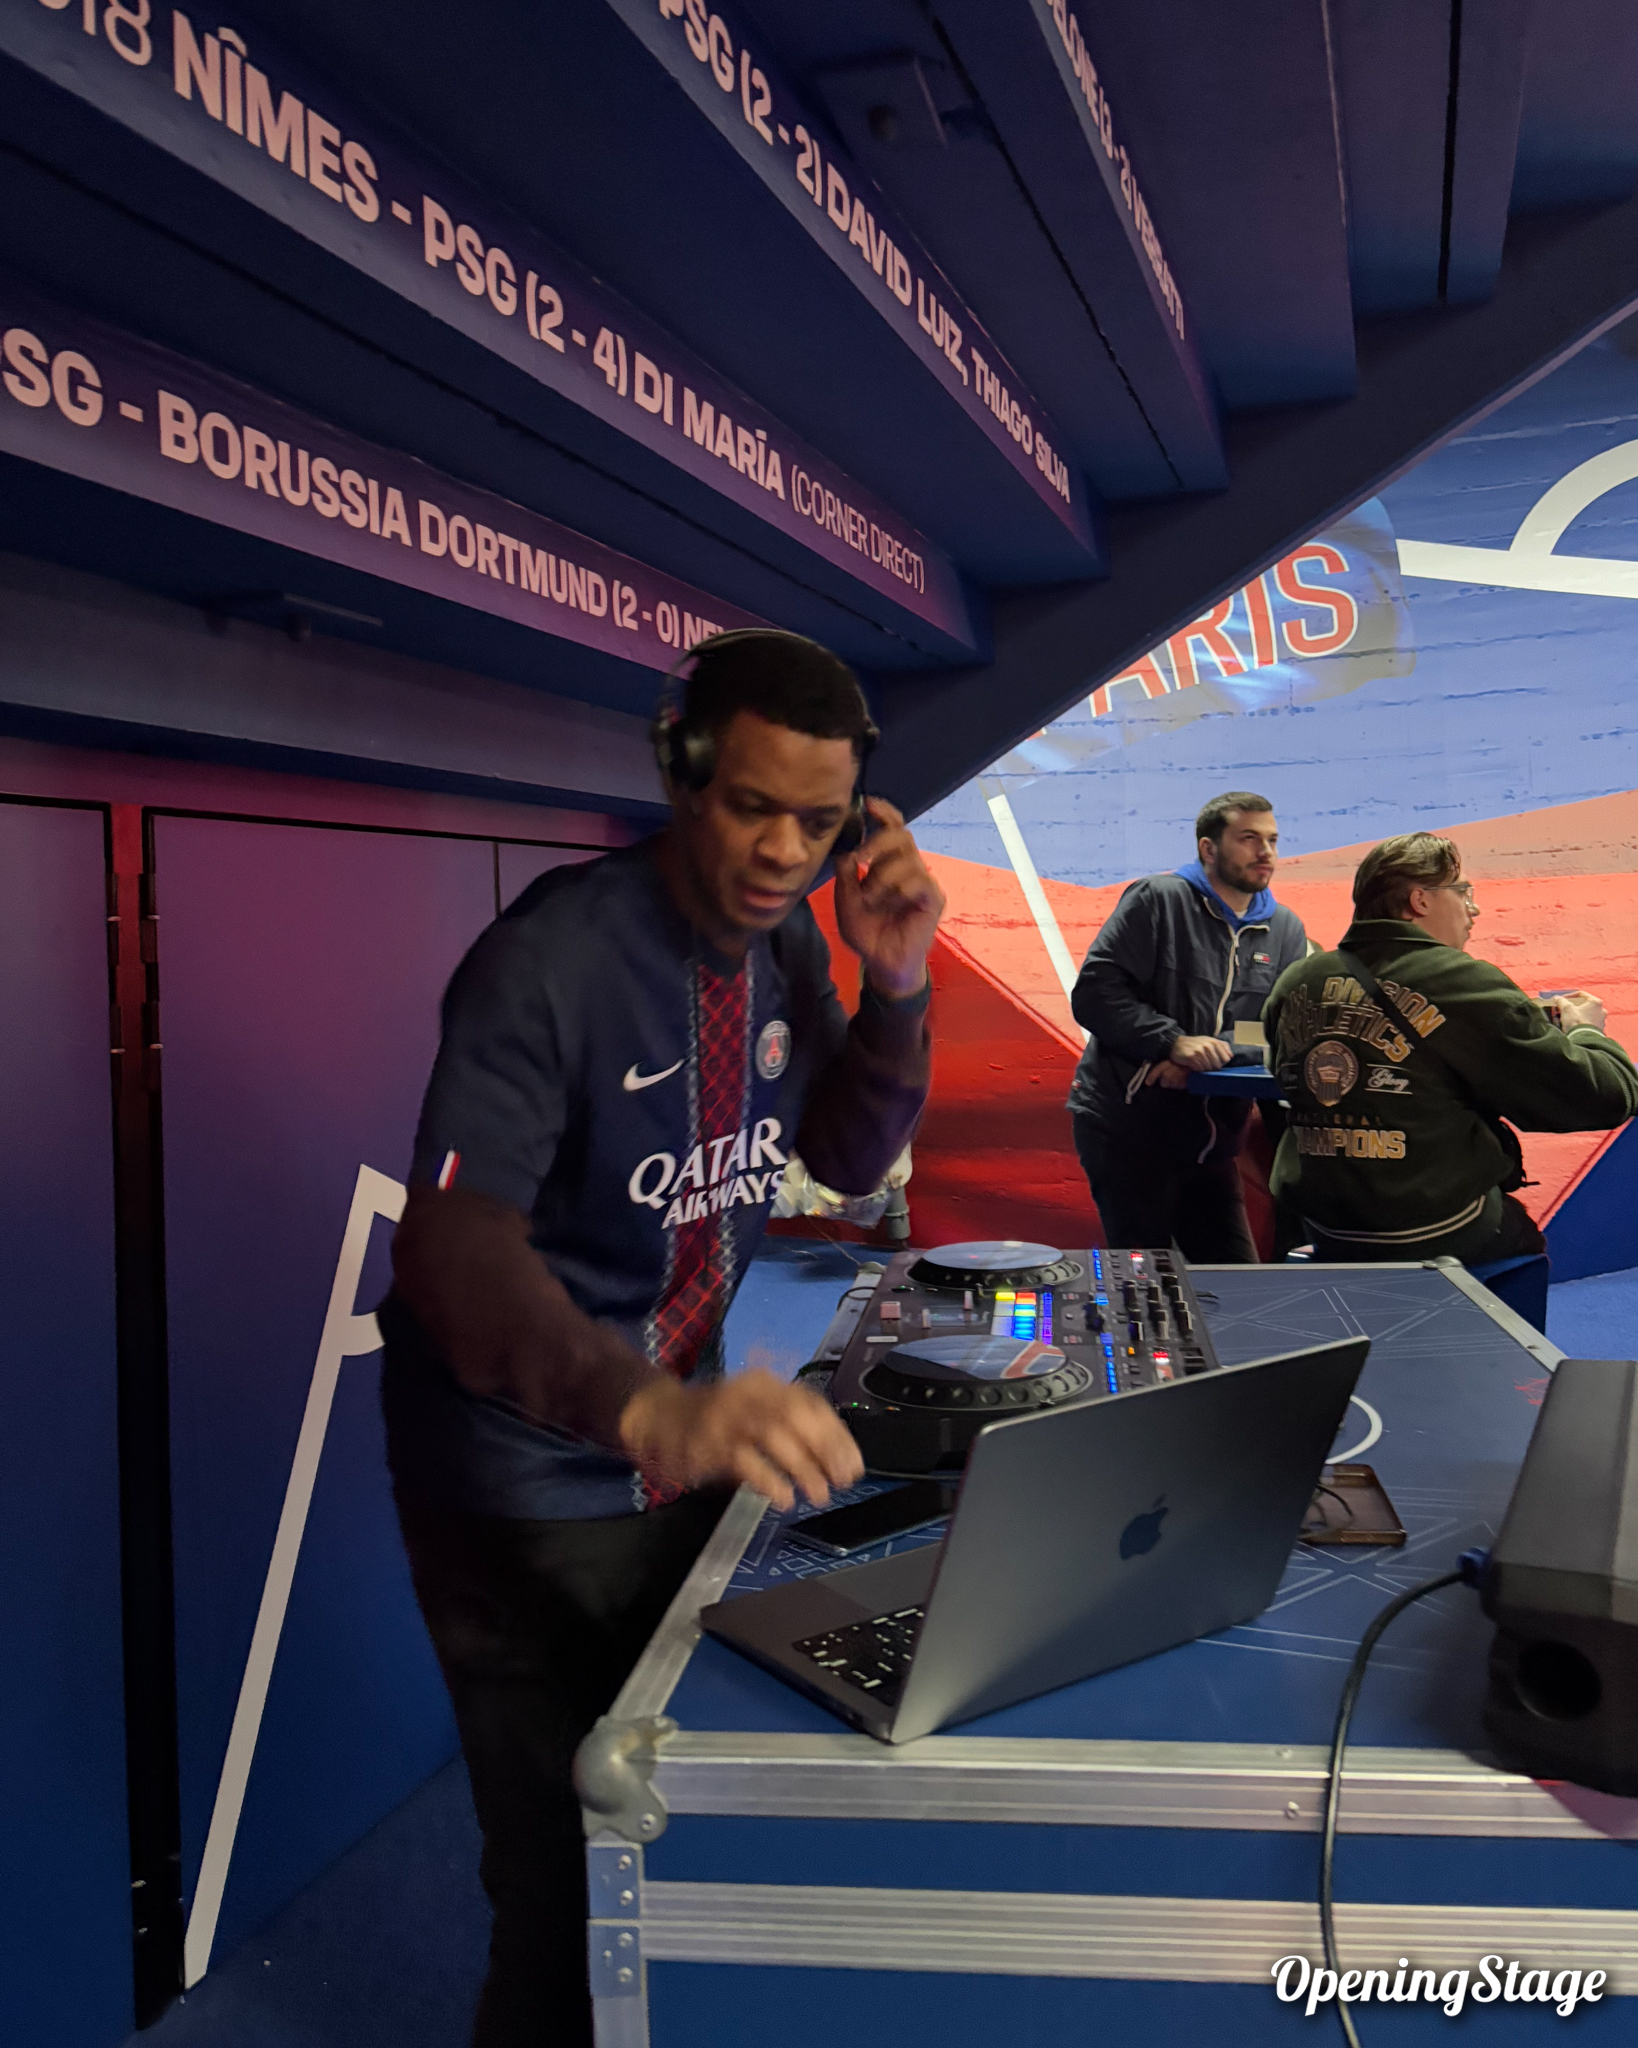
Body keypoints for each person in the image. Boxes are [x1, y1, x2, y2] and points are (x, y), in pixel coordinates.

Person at [378, 629, 945, 2046]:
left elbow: (849, 1146)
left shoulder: (777, 956)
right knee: (559, 1880)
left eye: (815, 825)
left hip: (665, 1451)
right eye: (752, 806)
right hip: (514, 1485)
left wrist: (898, 985)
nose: (780, 853)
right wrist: (654, 1414)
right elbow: (451, 1252)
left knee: (663, 1838)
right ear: (683, 772)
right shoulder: (546, 960)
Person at [1263, 831, 1638, 1264]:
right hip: (1430, 1227)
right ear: (1420, 900)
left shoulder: (1296, 982)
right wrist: (1586, 1032)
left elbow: (1285, 1078)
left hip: (1327, 1227)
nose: (1472, 908)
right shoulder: (1463, 981)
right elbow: (1604, 1097)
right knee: (1524, 1241)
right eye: (1462, 891)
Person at [1067, 791, 1306, 1260]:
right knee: (1144, 1283)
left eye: (1273, 840)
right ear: (1208, 849)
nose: (1266, 853)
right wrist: (1170, 1042)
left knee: (1237, 1284)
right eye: (1249, 839)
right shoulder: (1159, 899)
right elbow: (1096, 994)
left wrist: (1206, 1055)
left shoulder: (1285, 930)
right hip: (1129, 1131)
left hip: (1212, 1142)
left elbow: (1279, 1032)